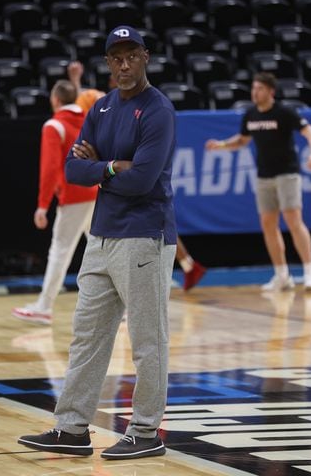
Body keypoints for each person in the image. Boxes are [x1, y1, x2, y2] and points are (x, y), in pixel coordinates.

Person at [18, 25, 176, 460]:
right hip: (102, 238)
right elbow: (74, 170)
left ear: (145, 57)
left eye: (132, 56)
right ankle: (72, 428)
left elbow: (144, 179)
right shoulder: (101, 108)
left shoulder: (158, 110)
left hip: (144, 236)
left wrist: (101, 169)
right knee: (87, 337)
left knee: (148, 340)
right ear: (108, 63)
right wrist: (111, 168)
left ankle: (145, 432)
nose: (124, 65)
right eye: (116, 58)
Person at [68, 61, 207, 291]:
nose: (122, 71)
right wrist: (106, 168)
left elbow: (138, 179)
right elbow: (73, 167)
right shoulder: (104, 104)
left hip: (136, 202)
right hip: (114, 188)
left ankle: (183, 265)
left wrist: (101, 168)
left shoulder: (150, 108)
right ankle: (188, 264)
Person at [205, 72, 311, 291]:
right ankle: (282, 275)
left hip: (287, 174)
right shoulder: (250, 115)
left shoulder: (284, 112)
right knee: (268, 225)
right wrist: (220, 145)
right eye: (253, 88)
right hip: (263, 177)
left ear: (270, 92)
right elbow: (242, 140)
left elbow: (310, 132)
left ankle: (309, 272)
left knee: (294, 220)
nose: (254, 93)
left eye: (259, 89)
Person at [11, 80, 98, 325]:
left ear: (56, 100)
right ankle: (121, 308)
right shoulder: (89, 120)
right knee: (103, 250)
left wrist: (42, 205)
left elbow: (49, 170)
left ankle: (44, 307)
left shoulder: (53, 125)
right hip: (96, 190)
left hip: (74, 195)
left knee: (60, 250)